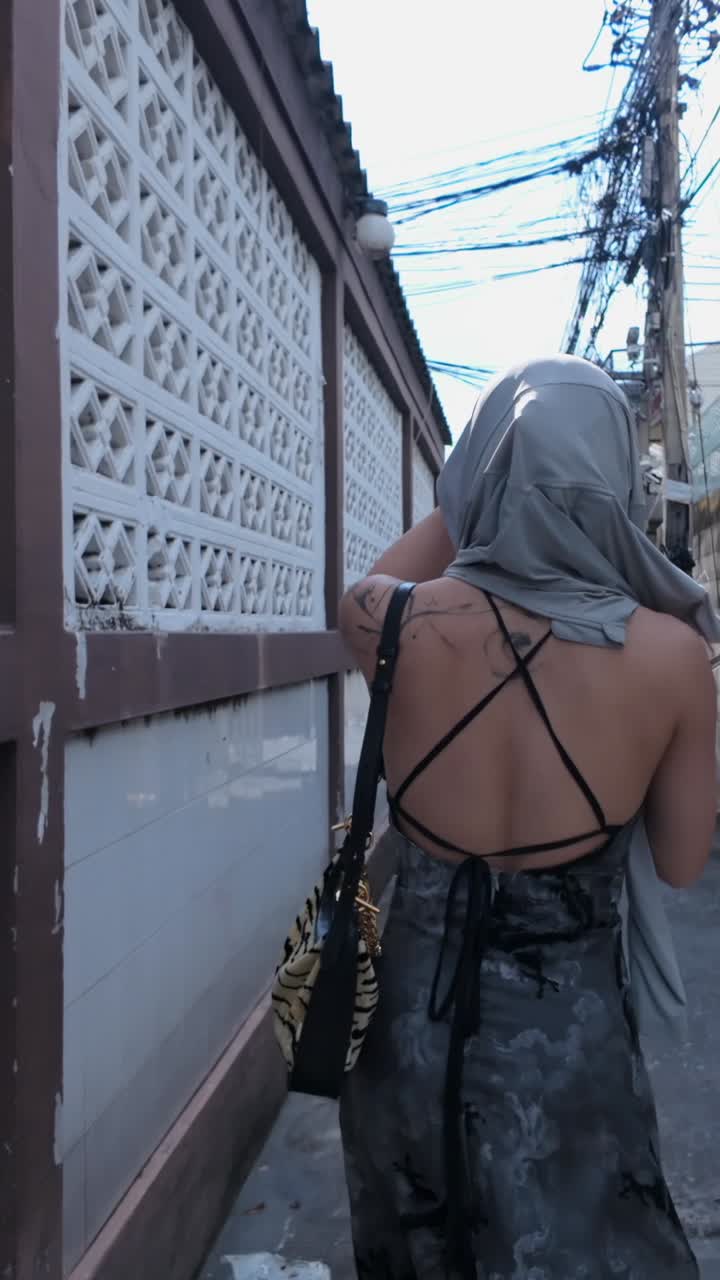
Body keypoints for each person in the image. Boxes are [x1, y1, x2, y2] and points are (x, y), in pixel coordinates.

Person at [337, 355, 719, 1280]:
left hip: (406, 1032)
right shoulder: (672, 657)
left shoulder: (384, 620)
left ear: (481, 469)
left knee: (421, 1251)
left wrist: (493, 481)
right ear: (620, 479)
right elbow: (676, 864)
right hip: (569, 1041)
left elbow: (428, 543)